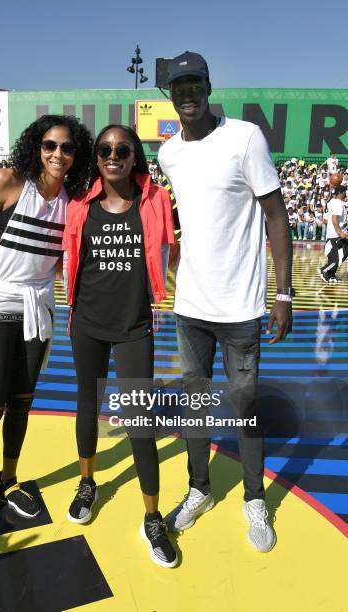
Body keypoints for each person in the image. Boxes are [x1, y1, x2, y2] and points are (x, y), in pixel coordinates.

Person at [158, 51, 293, 553]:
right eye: (179, 86)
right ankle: (199, 489)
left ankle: (255, 499)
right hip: (190, 306)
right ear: (170, 95)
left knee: (245, 405)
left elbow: (276, 215)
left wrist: (282, 293)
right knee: (195, 405)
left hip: (241, 308)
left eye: (195, 84)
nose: (188, 93)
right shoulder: (170, 154)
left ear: (209, 87)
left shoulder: (244, 138)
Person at [0, 115, 92, 543]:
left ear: (76, 155)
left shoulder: (73, 199)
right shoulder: (8, 182)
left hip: (38, 309)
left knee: (22, 403)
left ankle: (7, 481)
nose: (57, 154)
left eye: (67, 148)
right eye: (50, 145)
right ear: (37, 146)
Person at [62, 124, 178, 568]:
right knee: (87, 406)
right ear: (96, 158)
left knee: (139, 420)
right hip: (87, 324)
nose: (114, 155)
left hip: (134, 327)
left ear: (134, 157)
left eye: (122, 149)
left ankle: (152, 519)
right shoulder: (78, 207)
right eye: (106, 149)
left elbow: (174, 249)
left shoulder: (156, 200)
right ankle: (87, 483)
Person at [318, 185, 347, 284]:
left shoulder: (331, 202)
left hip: (332, 234)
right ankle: (325, 271)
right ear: (342, 192)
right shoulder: (338, 203)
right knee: (338, 257)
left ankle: (331, 274)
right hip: (336, 235)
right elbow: (335, 219)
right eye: (345, 191)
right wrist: (340, 232)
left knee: (336, 256)